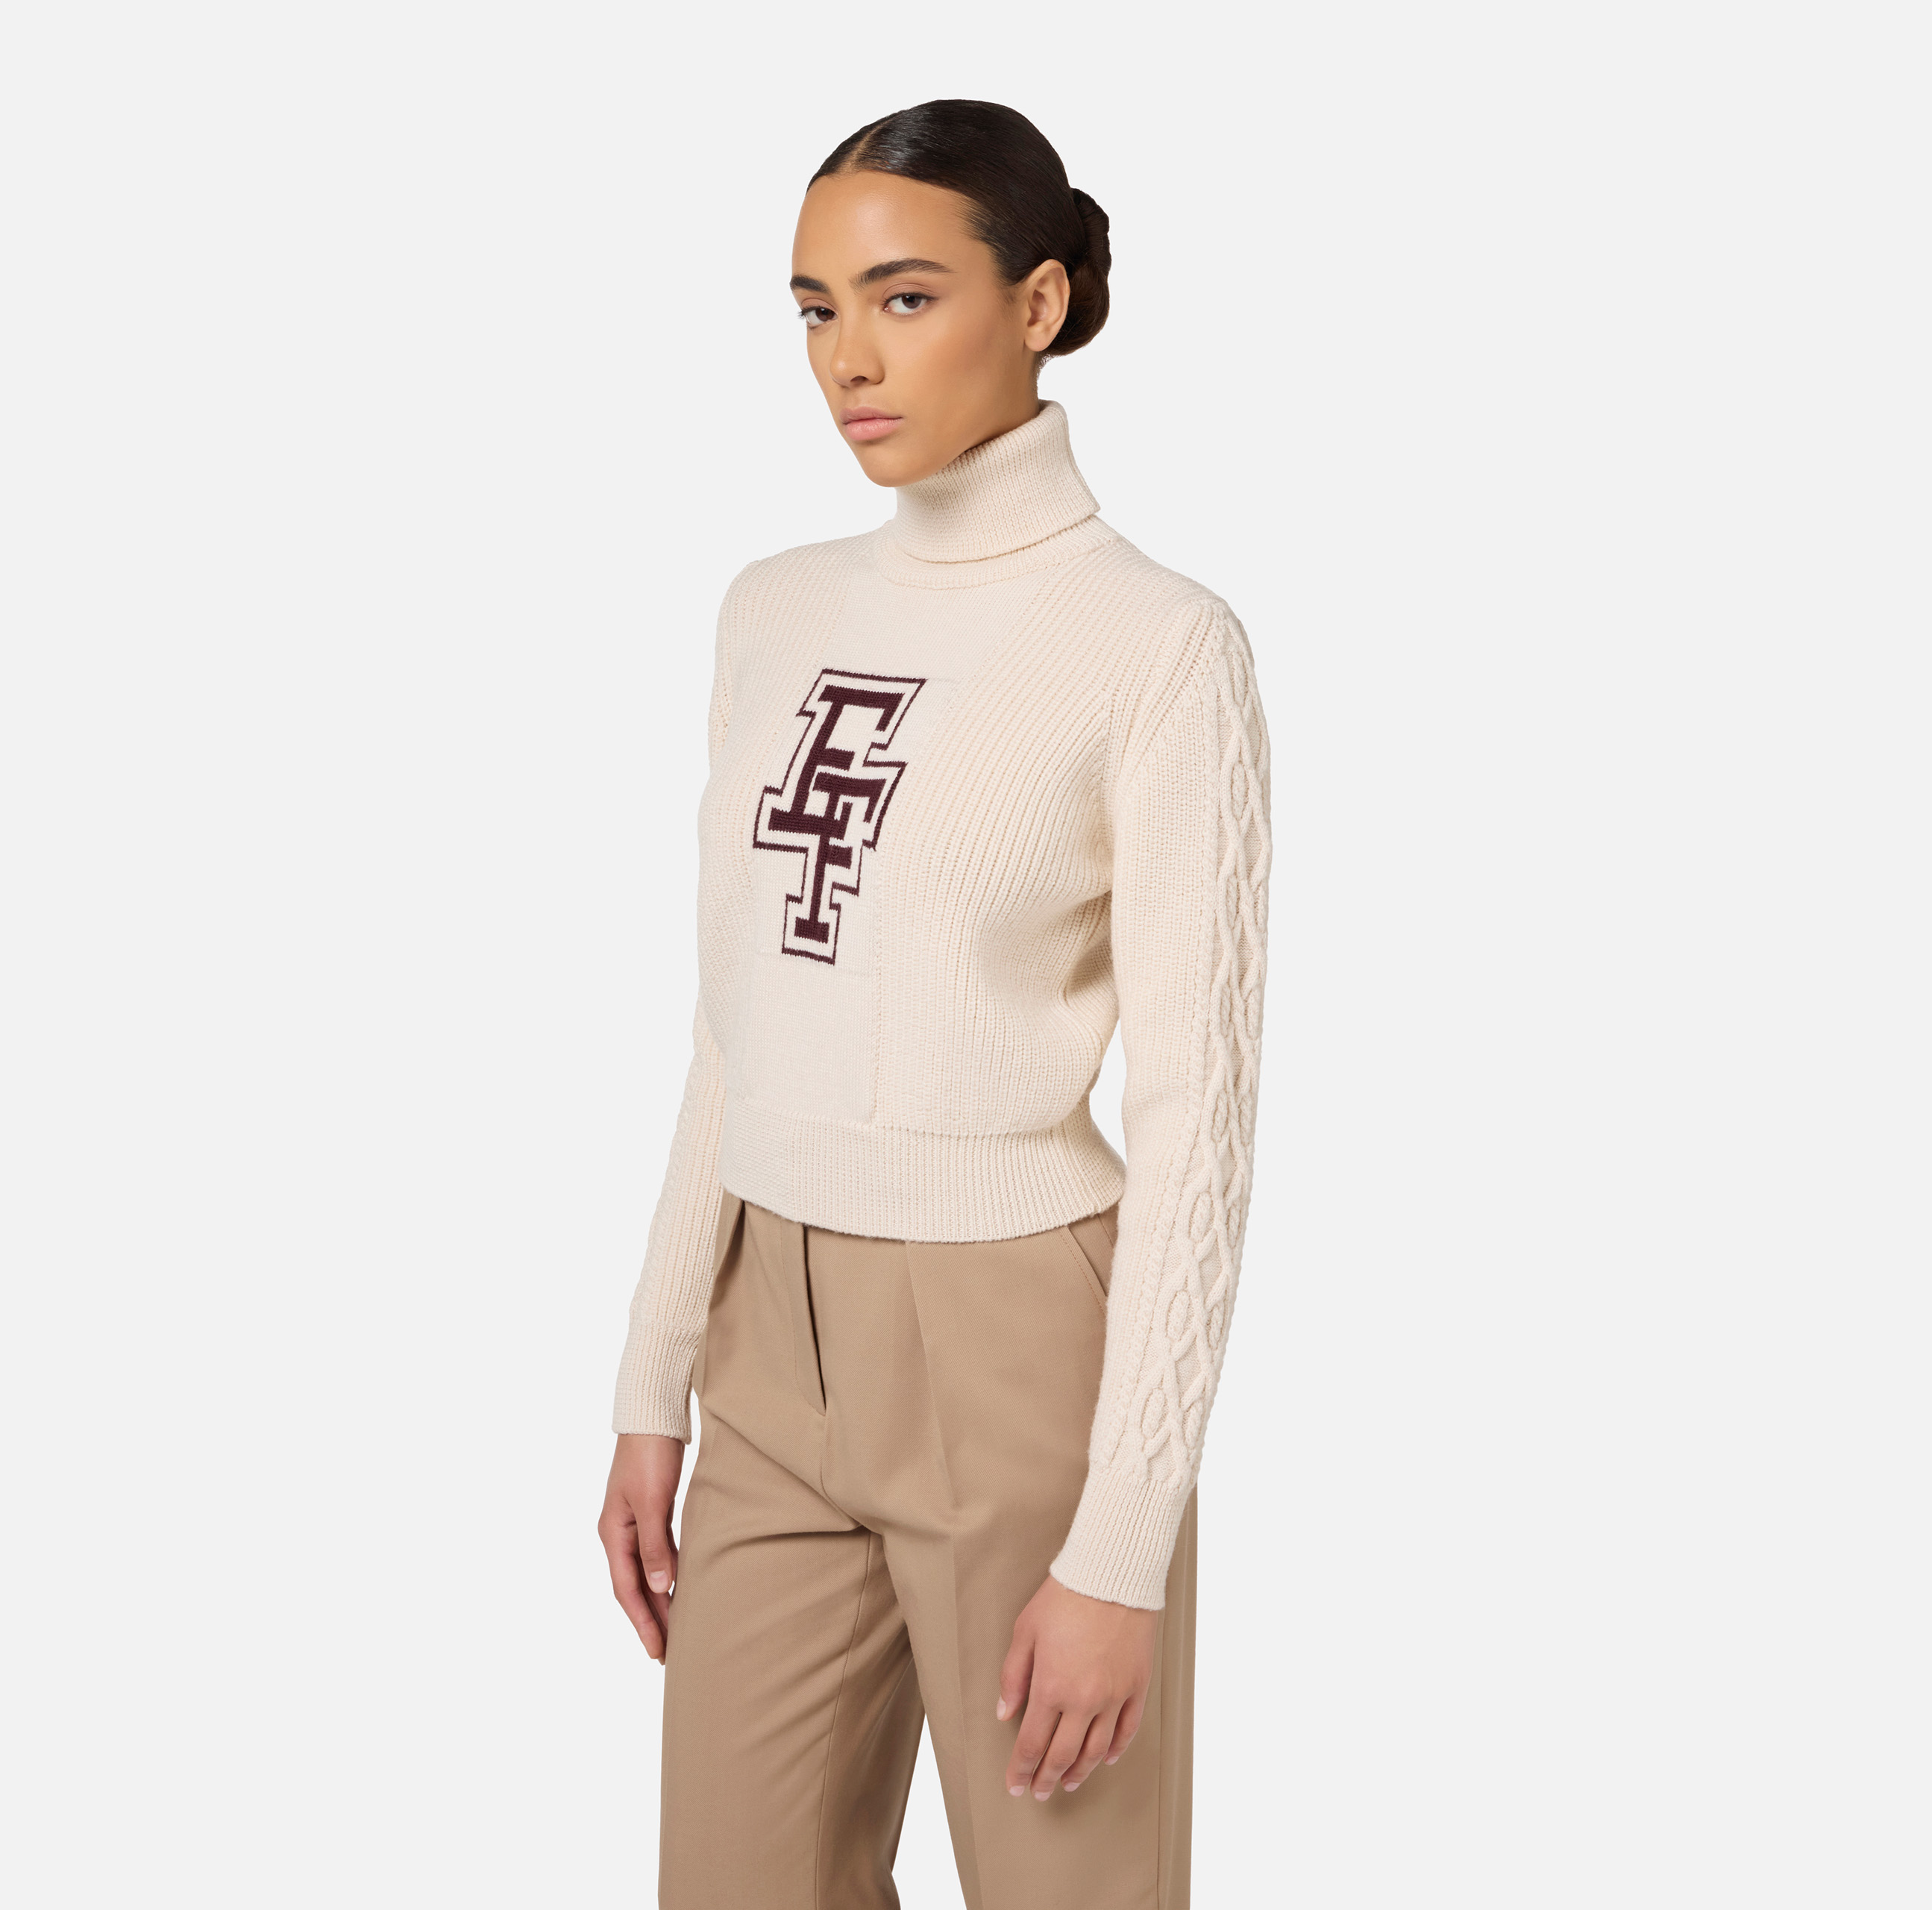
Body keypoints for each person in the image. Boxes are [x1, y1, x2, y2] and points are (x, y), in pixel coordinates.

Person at [597, 98, 1272, 1910]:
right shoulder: (771, 608)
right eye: (814, 309)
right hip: (765, 1342)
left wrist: (1118, 1541)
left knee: (1067, 1890)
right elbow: (734, 1022)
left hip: (1016, 1352)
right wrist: (654, 1376)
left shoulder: (1156, 644)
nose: (848, 358)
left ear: (1037, 302)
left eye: (903, 298)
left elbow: (1198, 1123)